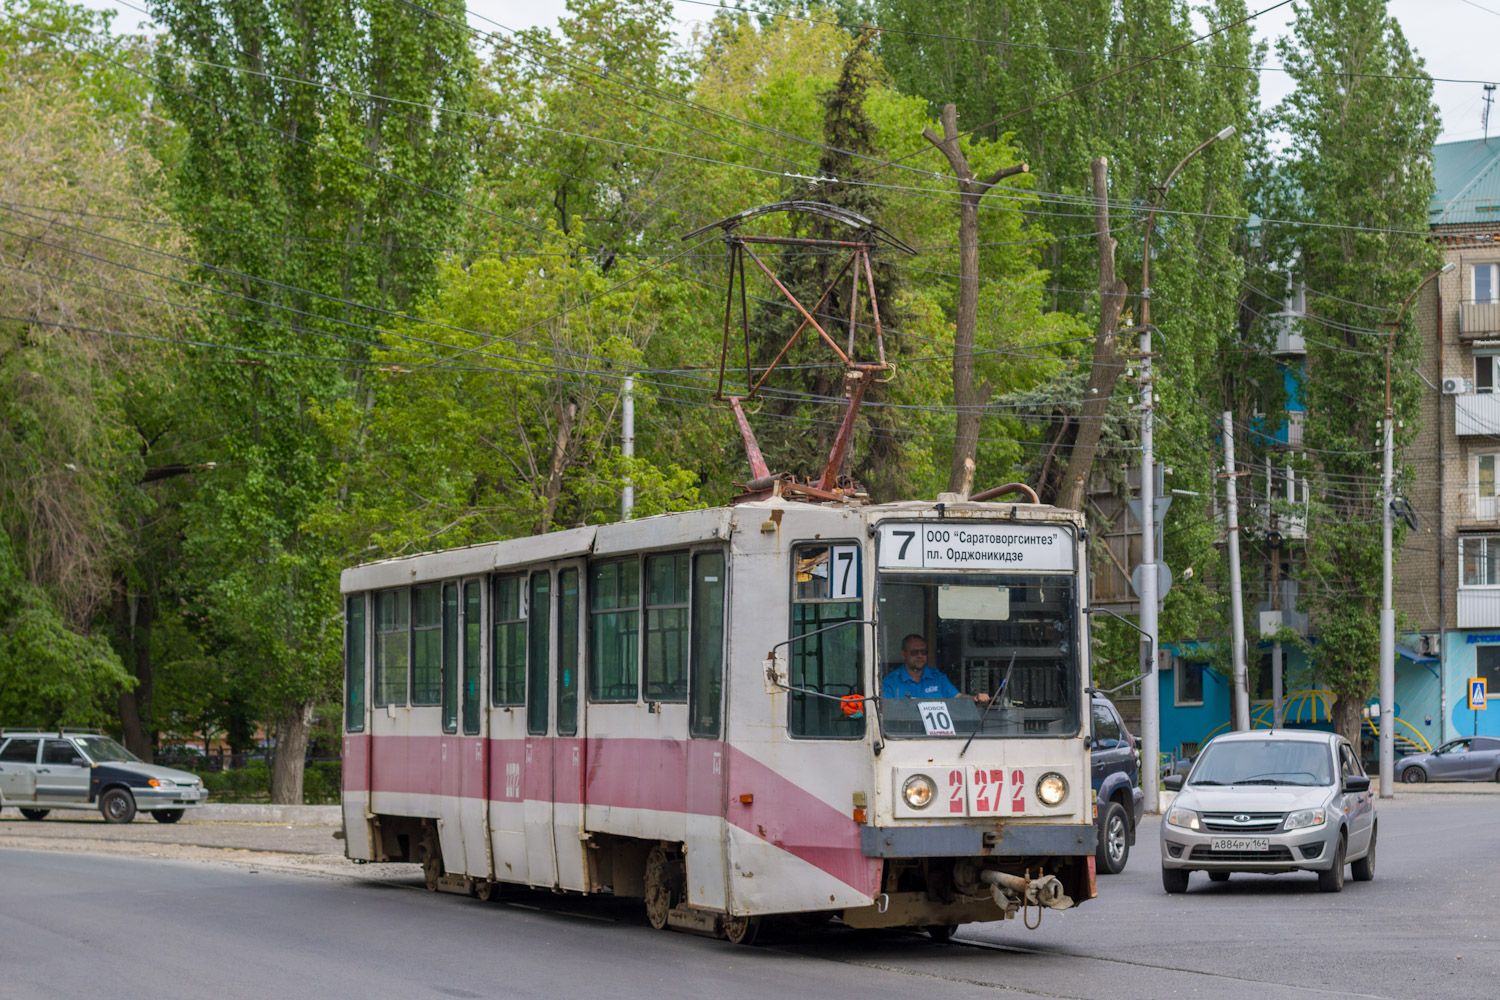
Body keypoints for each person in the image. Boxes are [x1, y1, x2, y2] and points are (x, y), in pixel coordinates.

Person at [881, 634, 990, 703]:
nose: (920, 656)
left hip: (936, 737)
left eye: (923, 652)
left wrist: (974, 698)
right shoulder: (890, 682)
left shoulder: (938, 677)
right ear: (904, 655)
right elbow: (886, 713)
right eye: (914, 652)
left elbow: (957, 697)